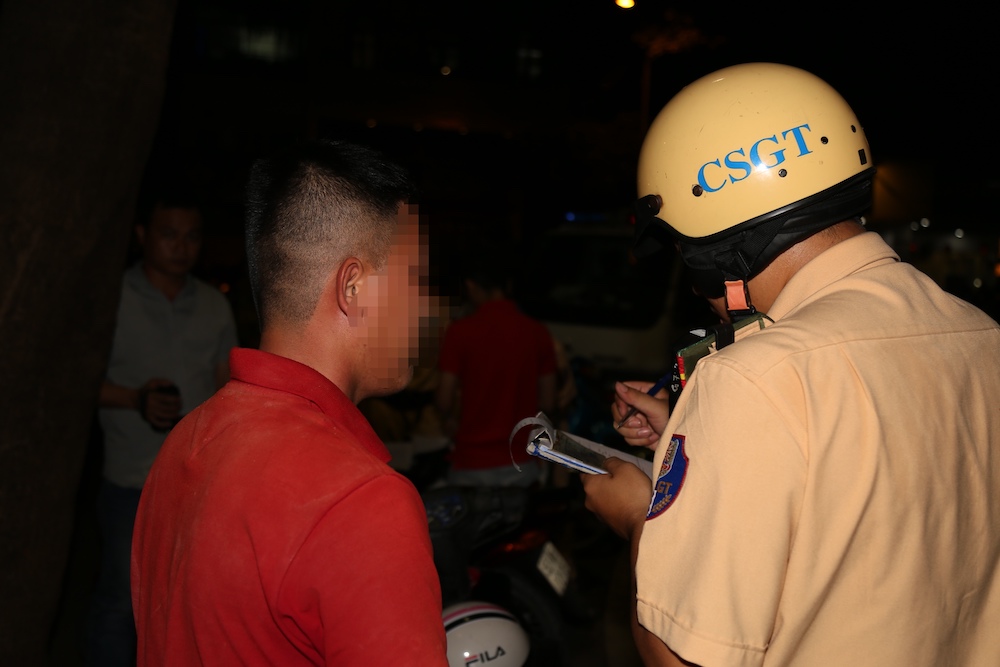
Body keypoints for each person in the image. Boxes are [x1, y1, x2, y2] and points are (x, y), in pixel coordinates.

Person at [581, 62, 1000, 666]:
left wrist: (638, 518)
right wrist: (697, 439)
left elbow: (679, 657)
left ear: (716, 251)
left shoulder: (754, 378)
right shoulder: (981, 334)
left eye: (681, 249)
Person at [130, 139, 449, 666]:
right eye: (414, 279)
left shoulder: (185, 442)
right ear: (353, 287)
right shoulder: (362, 503)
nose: (425, 309)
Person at [88, 186, 239, 666]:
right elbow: (73, 385)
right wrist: (134, 398)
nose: (181, 246)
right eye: (169, 234)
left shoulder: (214, 305)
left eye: (192, 236)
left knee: (186, 604)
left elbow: (227, 384)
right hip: (130, 479)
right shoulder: (112, 299)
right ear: (142, 235)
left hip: (197, 482)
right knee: (121, 602)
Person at [434, 239, 558, 487]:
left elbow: (444, 400)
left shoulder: (460, 332)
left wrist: (449, 419)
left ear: (471, 286)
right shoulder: (537, 332)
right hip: (521, 462)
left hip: (471, 464)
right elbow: (548, 402)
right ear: (507, 285)